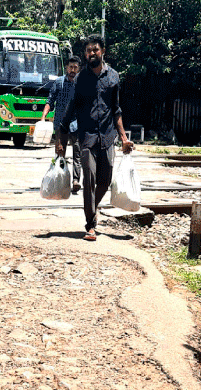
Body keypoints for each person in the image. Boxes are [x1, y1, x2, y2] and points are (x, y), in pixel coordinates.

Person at [58, 34, 134, 241]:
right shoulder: (81, 78)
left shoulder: (114, 77)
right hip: (86, 136)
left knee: (105, 179)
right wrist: (61, 140)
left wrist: (124, 139)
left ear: (102, 52)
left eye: (95, 50)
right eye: (88, 50)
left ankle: (94, 207)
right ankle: (90, 224)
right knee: (89, 179)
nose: (92, 53)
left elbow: (116, 110)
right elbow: (70, 108)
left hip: (108, 136)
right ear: (85, 54)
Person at [42, 56, 82, 193]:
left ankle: (76, 180)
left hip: (77, 124)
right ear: (66, 68)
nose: (73, 70)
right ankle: (59, 180)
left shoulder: (82, 84)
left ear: (79, 69)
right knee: (59, 153)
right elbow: (50, 101)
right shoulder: (59, 83)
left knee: (78, 153)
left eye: (75, 67)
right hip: (60, 124)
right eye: (71, 67)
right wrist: (43, 117)